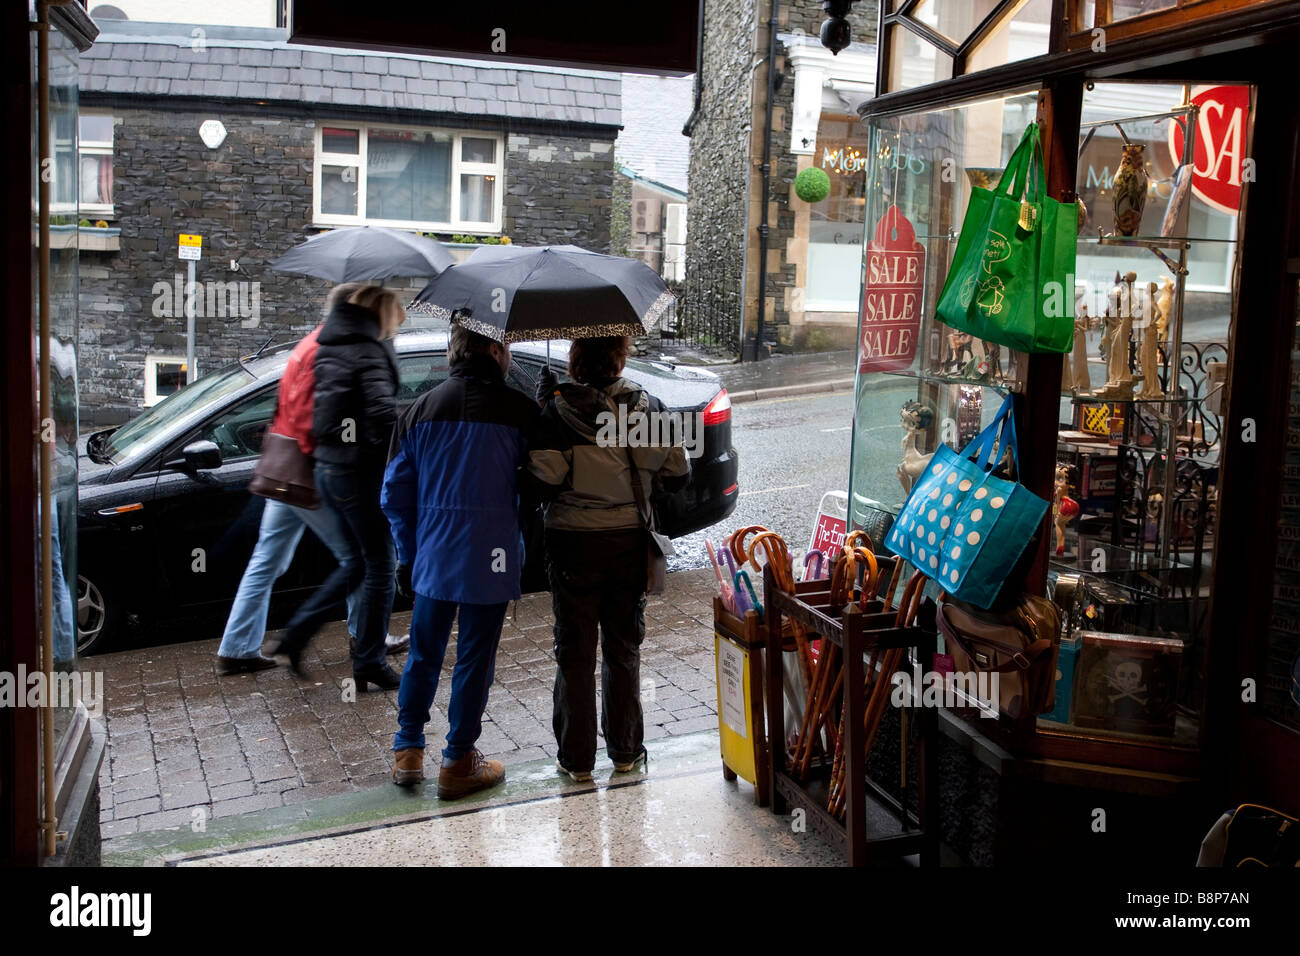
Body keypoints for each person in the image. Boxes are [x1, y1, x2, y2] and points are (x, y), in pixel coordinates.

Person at [215, 283, 408, 676]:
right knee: (361, 560)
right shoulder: (337, 347)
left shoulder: (310, 344)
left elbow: (285, 403)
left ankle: (236, 647)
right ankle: (363, 639)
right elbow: (326, 418)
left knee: (268, 559)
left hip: (283, 467)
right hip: (309, 469)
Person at [383, 318, 540, 797]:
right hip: (491, 560)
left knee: (424, 653)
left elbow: (394, 493)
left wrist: (407, 554)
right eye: (507, 347)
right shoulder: (520, 411)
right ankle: (457, 761)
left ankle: (408, 750)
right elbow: (539, 486)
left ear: (456, 352)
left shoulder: (417, 411)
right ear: (494, 353)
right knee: (475, 659)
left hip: (433, 555)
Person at [526, 336, 690, 782]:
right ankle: (625, 752)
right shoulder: (649, 407)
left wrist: (544, 412)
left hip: (573, 545)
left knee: (574, 653)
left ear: (576, 362)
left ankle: (576, 761)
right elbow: (678, 473)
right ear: (620, 357)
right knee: (623, 649)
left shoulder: (558, 411)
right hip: (628, 544)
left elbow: (544, 481)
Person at [272, 285, 404, 690]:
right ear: (379, 309)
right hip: (359, 475)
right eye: (396, 308)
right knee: (382, 566)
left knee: (358, 565)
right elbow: (382, 414)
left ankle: (295, 636)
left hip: (331, 470)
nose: (399, 317)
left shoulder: (332, 344)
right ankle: (369, 662)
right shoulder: (367, 350)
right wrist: (422, 416)